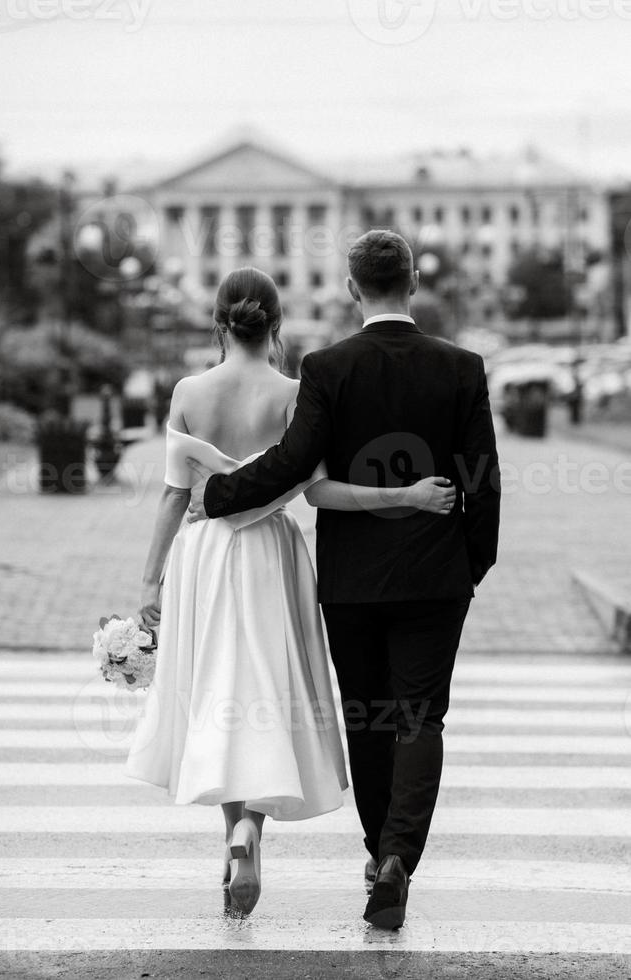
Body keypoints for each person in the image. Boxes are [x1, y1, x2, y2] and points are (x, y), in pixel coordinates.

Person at [187, 232, 501, 930]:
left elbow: (295, 462)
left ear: (353, 289)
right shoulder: (461, 366)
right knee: (420, 717)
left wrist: (216, 497)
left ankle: (376, 846)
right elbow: (484, 481)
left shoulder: (328, 367)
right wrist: (469, 566)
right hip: (435, 576)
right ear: (413, 282)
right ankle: (396, 859)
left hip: (353, 580)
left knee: (368, 716)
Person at [126, 265, 457, 918]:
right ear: (276, 327)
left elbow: (172, 496)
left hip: (202, 553)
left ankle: (234, 834)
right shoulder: (293, 395)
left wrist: (149, 582)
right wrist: (404, 495)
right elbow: (320, 490)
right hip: (272, 553)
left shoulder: (190, 392)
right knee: (265, 688)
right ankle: (254, 823)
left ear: (218, 324)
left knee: (218, 688)